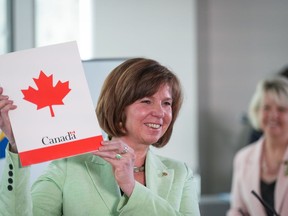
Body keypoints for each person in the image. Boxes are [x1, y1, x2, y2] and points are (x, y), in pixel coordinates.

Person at [0, 58, 200, 215]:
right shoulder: (69, 166)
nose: (160, 112)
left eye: (167, 103)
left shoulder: (179, 173)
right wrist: (18, 146)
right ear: (118, 106)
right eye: (146, 101)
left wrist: (131, 187)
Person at [227, 76, 288, 216]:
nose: (273, 115)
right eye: (266, 108)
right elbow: (238, 210)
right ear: (257, 111)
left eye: (281, 109)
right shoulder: (243, 158)